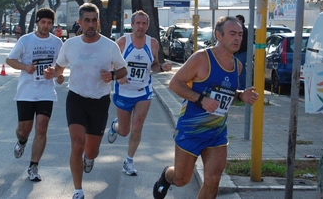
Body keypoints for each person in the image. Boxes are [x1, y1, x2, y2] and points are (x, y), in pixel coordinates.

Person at [152, 16, 259, 199]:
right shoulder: (201, 58)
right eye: (232, 34)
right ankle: (166, 176)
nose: (237, 39)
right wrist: (201, 100)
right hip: (191, 129)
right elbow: (175, 84)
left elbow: (226, 92)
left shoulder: (238, 66)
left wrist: (241, 95)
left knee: (214, 179)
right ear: (219, 35)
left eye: (240, 35)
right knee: (181, 178)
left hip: (217, 132)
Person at [43, 3, 127, 199]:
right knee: (77, 143)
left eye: (94, 20)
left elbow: (123, 70)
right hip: (76, 99)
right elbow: (59, 69)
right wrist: (51, 73)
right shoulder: (70, 45)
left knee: (91, 150)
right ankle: (78, 190)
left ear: (98, 21)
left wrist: (113, 75)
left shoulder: (109, 45)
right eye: (86, 20)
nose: (91, 24)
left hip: (99, 101)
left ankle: (89, 158)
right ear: (79, 22)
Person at [107, 10, 172, 176]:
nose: (141, 26)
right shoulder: (122, 42)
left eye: (144, 24)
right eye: (138, 23)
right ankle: (115, 126)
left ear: (148, 26)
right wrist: (117, 77)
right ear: (132, 25)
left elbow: (154, 65)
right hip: (123, 91)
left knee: (137, 126)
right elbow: (109, 64)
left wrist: (162, 68)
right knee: (124, 131)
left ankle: (128, 161)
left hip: (143, 91)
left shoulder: (153, 43)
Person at [6, 7, 64, 182]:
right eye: (43, 22)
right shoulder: (26, 40)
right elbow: (10, 60)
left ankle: (34, 166)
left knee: (42, 127)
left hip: (46, 92)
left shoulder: (57, 43)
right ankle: (22, 142)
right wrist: (25, 67)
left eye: (49, 23)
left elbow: (60, 71)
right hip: (26, 92)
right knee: (24, 130)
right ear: (37, 22)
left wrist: (56, 74)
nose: (46, 26)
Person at [234, 14, 248, 90]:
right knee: (237, 68)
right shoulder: (239, 30)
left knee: (241, 69)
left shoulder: (244, 31)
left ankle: (242, 87)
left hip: (242, 52)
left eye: (237, 20)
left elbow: (243, 43)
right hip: (238, 52)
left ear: (241, 21)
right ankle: (239, 86)